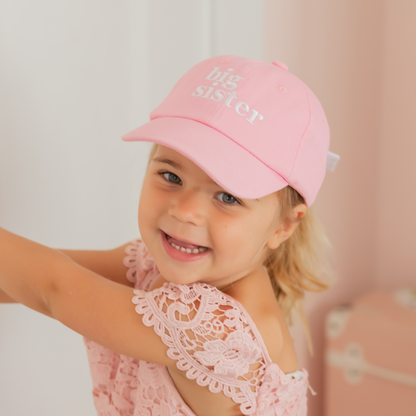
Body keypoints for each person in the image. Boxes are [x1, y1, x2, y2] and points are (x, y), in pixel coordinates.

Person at [0, 55, 339, 416]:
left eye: (227, 197)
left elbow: (53, 288)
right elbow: (20, 281)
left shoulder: (216, 329)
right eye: (171, 177)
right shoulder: (158, 266)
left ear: (284, 225)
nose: (184, 210)